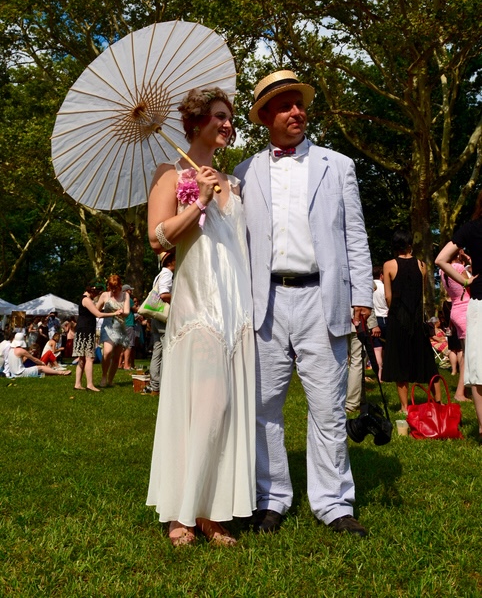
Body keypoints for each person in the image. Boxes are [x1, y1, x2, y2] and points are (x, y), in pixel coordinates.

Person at [233, 70, 373, 538]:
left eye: (300, 103)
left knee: (328, 406)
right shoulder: (243, 173)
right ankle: (270, 499)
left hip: (322, 297)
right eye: (286, 105)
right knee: (263, 406)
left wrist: (362, 296)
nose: (297, 111)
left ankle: (334, 503)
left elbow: (354, 234)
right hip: (266, 301)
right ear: (265, 116)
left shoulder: (338, 165)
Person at [146, 87, 255, 547]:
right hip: (198, 305)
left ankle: (214, 513)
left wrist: (218, 189)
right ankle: (180, 514)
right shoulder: (170, 174)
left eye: (229, 117)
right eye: (218, 117)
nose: (227, 124)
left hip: (237, 308)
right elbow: (158, 238)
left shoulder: (236, 181)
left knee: (230, 409)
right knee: (202, 405)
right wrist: (201, 201)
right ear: (194, 124)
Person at [435, 190, 482, 440]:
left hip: (473, 304)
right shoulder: (463, 256)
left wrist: (466, 280)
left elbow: (440, 259)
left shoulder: (471, 229)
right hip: (471, 306)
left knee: (475, 363)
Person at [382, 228, 440, 414]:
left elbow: (388, 297)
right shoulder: (422, 265)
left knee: (400, 362)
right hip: (416, 319)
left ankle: (404, 407)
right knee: (426, 360)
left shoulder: (389, 265)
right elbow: (421, 293)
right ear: (409, 245)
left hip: (398, 319)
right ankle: (437, 402)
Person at [73, 283, 122, 392]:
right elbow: (98, 314)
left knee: (82, 358)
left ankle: (77, 384)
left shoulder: (84, 299)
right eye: (96, 292)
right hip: (86, 330)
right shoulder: (86, 300)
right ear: (92, 290)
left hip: (82, 329)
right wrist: (115, 313)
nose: (96, 295)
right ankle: (90, 385)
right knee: (89, 358)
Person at [439, 251, 471, 400]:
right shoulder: (458, 267)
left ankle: (465, 390)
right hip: (466, 309)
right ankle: (460, 392)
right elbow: (470, 285)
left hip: (456, 309)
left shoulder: (442, 270)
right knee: (468, 355)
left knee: (466, 353)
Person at [147, 251, 176, 396]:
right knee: (166, 350)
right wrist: (180, 296)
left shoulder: (160, 274)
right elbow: (164, 294)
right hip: (163, 318)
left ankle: (155, 386)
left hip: (156, 317)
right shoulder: (167, 274)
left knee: (157, 352)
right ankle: (163, 386)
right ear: (171, 260)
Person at [96, 276, 131, 388]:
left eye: (115, 288)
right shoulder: (105, 295)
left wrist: (121, 313)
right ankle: (104, 376)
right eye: (111, 288)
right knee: (107, 352)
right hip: (108, 327)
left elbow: (127, 312)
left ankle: (110, 380)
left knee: (116, 357)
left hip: (120, 327)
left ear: (120, 286)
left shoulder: (125, 295)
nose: (114, 290)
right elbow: (96, 310)